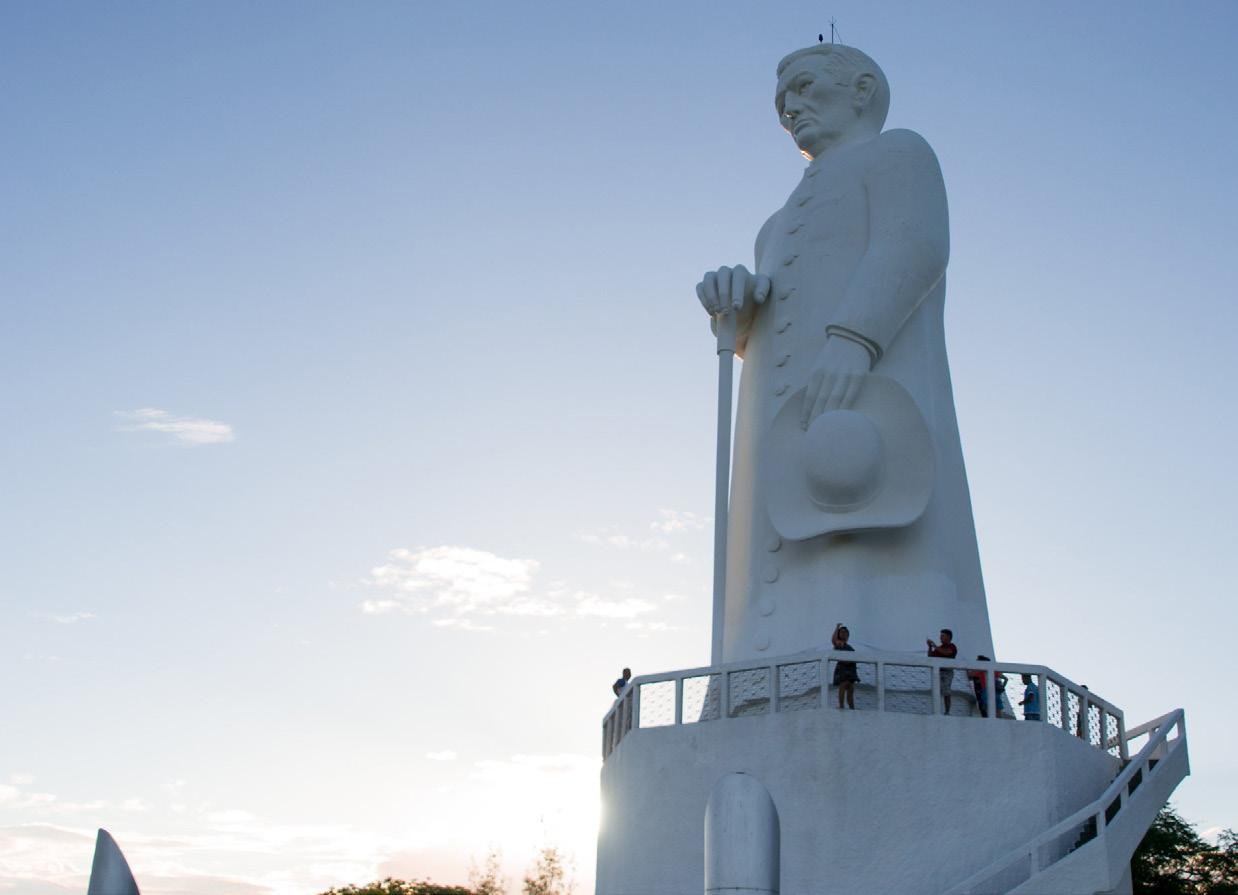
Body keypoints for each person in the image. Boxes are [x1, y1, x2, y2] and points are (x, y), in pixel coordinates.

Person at [695, 43, 995, 664]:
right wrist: (739, 309)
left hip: (869, 393)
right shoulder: (772, 227)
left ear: (861, 89)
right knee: (778, 545)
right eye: (781, 102)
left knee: (864, 543)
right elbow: (766, 328)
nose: (789, 109)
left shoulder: (898, 152)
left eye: (804, 88)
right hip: (785, 427)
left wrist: (856, 338)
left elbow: (914, 244)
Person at [926, 628, 957, 714]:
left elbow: (947, 652)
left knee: (947, 692)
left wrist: (935, 646)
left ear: (948, 637)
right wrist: (930, 647)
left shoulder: (952, 646)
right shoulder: (939, 648)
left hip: (947, 672)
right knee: (937, 690)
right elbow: (930, 657)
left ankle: (947, 711)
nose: (940, 637)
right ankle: (936, 711)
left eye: (942, 636)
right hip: (938, 672)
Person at [831, 623, 858, 709]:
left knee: (850, 689)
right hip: (843, 670)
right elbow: (834, 640)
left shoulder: (849, 647)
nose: (843, 634)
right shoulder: (840, 643)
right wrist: (837, 628)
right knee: (843, 686)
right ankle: (841, 706)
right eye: (841, 632)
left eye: (845, 632)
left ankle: (852, 708)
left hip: (851, 670)